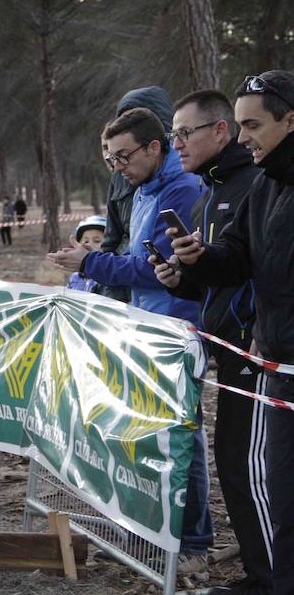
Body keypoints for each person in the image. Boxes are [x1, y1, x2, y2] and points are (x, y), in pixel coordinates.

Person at [47, 107, 214, 580]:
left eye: (123, 156)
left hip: (176, 330)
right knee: (147, 434)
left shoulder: (182, 188)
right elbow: (137, 260)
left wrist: (90, 263)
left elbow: (156, 271)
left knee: (182, 439)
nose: (117, 167)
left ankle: (196, 543)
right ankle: (149, 529)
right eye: (109, 159)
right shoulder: (143, 190)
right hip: (145, 326)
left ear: (154, 147)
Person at [165, 71, 294, 595]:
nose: (244, 138)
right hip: (279, 368)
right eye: (239, 126)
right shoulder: (264, 185)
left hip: (274, 360)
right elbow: (236, 259)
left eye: (253, 125)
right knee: (278, 489)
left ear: (291, 120)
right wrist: (197, 260)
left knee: (269, 484)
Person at [101, 86, 176, 304]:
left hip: (167, 307)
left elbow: (159, 265)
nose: (119, 167)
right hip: (130, 295)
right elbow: (112, 241)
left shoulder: (182, 183)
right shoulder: (121, 179)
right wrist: (112, 296)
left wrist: (90, 262)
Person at [66, 215, 106, 294]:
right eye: (86, 241)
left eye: (97, 241)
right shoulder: (74, 278)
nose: (90, 244)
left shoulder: (109, 278)